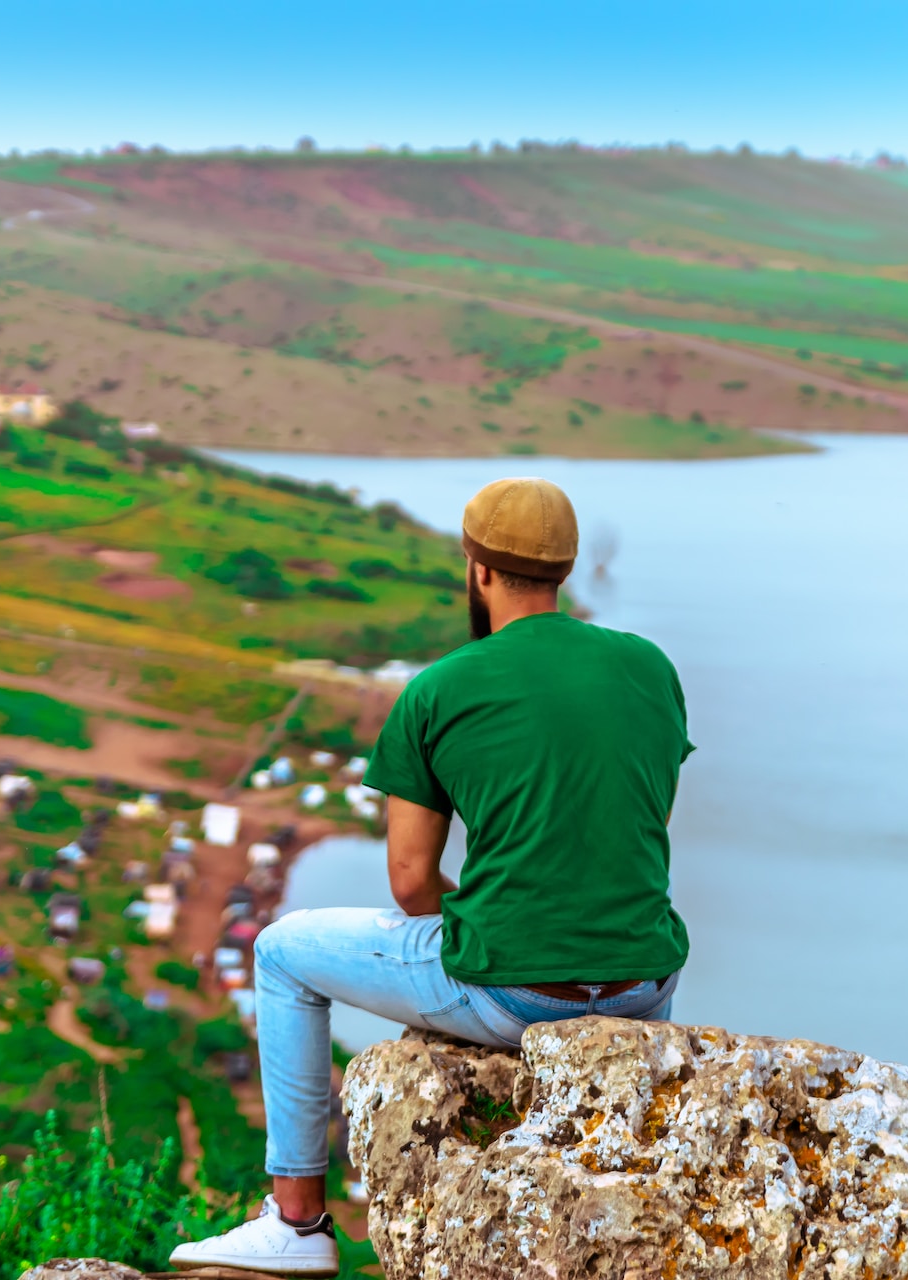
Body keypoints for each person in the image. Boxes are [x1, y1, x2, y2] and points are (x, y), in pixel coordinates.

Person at [169, 477, 693, 1277]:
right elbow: (632, 829)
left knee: (279, 951)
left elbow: (412, 884)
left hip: (516, 996)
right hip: (643, 988)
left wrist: (502, 920)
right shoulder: (650, 670)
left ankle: (298, 1222)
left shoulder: (439, 689)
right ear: (564, 567)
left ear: (477, 568)